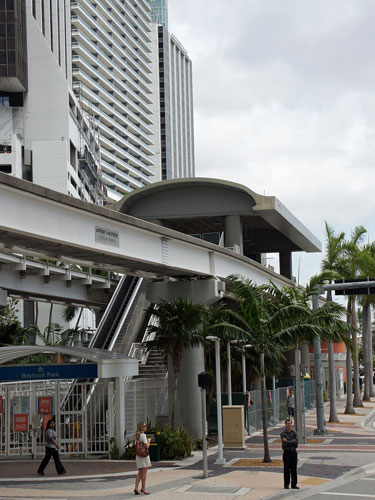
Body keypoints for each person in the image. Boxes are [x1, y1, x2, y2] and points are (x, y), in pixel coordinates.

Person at [280, 418, 299, 490]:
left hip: (293, 452)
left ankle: (294, 484)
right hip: (286, 453)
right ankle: (286, 484)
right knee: (286, 469)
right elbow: (284, 444)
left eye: (290, 423)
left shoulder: (294, 433)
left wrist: (288, 441)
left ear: (292, 424)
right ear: (285, 424)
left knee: (294, 469)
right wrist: (292, 441)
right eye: (287, 424)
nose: (289, 425)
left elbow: (296, 443)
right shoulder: (283, 433)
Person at [134, 421, 152, 495]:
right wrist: (149, 441)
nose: (146, 427)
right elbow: (147, 446)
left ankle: (136, 488)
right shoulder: (143, 435)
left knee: (140, 472)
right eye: (144, 426)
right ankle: (143, 488)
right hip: (144, 456)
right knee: (144, 473)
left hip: (138, 456)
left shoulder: (137, 435)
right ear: (141, 427)